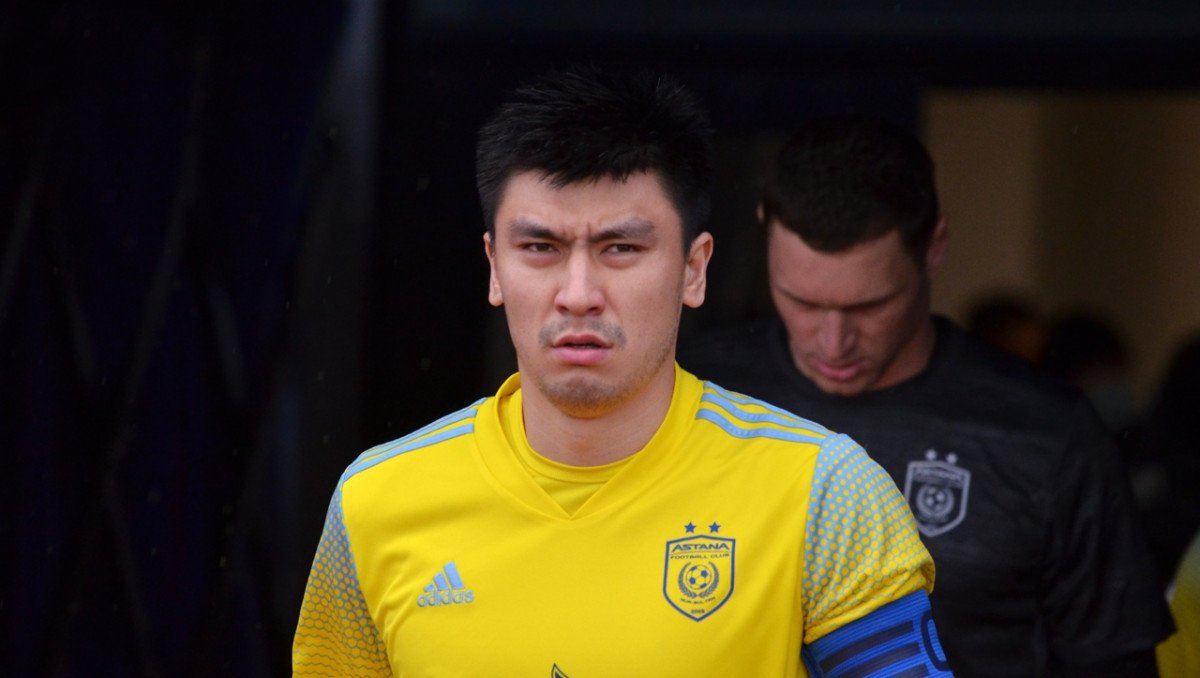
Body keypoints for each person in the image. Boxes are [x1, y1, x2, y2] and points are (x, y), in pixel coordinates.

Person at [291, 71, 953, 676]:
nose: (578, 294)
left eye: (621, 248)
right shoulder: (375, 502)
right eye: (540, 248)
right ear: (494, 267)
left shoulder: (824, 494)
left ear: (694, 268)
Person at [679, 114, 1174, 677]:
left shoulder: (1045, 433)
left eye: (870, 306)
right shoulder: (696, 390)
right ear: (764, 233)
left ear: (934, 247)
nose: (833, 342)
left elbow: (1116, 665)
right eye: (802, 302)